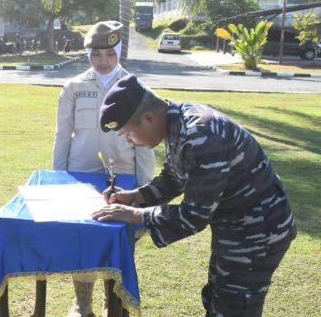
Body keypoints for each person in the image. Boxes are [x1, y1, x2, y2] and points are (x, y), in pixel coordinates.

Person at [92, 74, 296, 317]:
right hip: (236, 226)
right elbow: (174, 176)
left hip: (259, 232)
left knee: (235, 307)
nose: (130, 142)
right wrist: (135, 196)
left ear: (148, 118)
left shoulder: (201, 134)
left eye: (127, 134)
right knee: (217, 297)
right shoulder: (176, 122)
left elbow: (193, 216)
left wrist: (134, 215)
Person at [52, 21, 155, 317]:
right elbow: (63, 135)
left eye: (110, 53)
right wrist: (58, 178)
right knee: (83, 242)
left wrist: (145, 190)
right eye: (96, 54)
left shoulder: (136, 88)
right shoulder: (74, 87)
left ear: (118, 52)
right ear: (88, 54)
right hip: (81, 177)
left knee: (120, 243)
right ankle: (82, 303)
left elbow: (145, 144)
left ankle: (116, 303)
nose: (103, 61)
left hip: (124, 180)